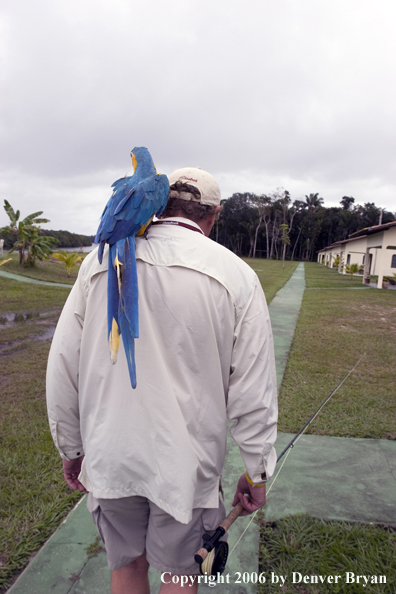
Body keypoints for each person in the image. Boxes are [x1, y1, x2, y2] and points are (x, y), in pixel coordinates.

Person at [46, 166, 278, 594]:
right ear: (214, 214)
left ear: (160, 203)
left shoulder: (97, 265)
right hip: (187, 468)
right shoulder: (236, 276)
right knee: (178, 574)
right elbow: (253, 393)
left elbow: (63, 363)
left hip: (110, 453)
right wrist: (257, 471)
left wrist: (70, 449)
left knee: (127, 566)